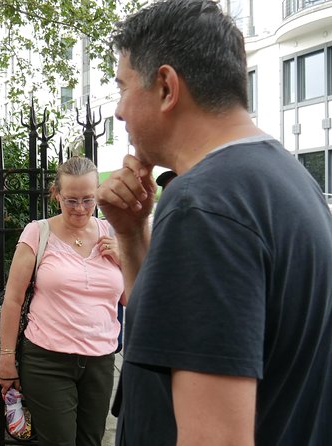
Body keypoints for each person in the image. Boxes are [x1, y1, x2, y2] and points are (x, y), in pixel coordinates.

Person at [96, 1, 332, 445]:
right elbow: (178, 334)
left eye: (123, 86)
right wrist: (130, 234)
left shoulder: (205, 205)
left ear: (166, 86)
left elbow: (216, 438)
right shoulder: (284, 179)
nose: (119, 111)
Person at [0, 156, 124, 446]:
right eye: (71, 200)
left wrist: (123, 259)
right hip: (47, 360)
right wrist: (6, 359)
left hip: (100, 359)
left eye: (88, 200)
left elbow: (131, 299)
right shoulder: (38, 232)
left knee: (90, 440)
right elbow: (13, 300)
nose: (80, 209)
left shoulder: (112, 234)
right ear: (56, 194)